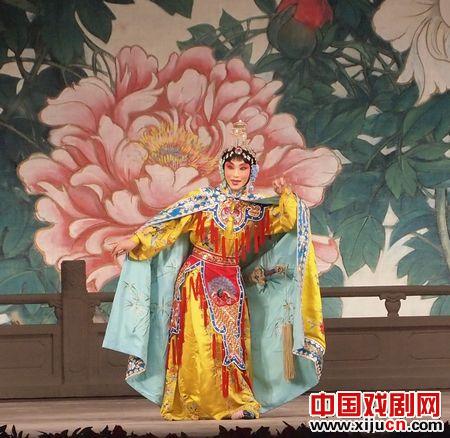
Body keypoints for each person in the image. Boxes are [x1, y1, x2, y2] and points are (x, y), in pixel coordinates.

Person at [103, 120, 325, 421]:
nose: (236, 174)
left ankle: (237, 401)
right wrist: (134, 240)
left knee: (232, 342)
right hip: (197, 278)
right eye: (231, 167)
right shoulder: (203, 202)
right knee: (198, 341)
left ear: (251, 172)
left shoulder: (255, 210)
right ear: (222, 169)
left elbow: (288, 222)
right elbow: (168, 225)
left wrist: (287, 196)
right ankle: (193, 402)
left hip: (231, 279)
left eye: (243, 168)